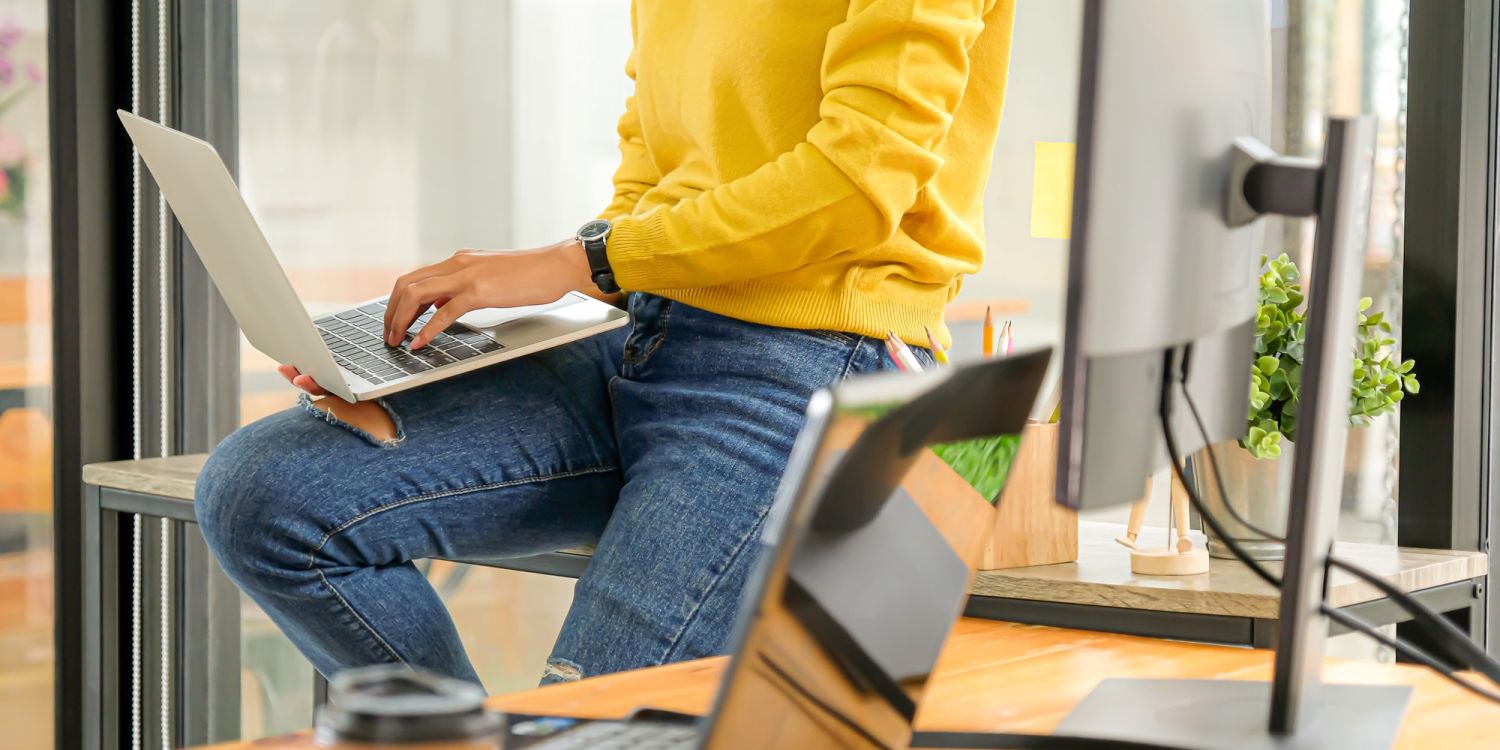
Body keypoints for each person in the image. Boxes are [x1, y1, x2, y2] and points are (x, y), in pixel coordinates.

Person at [196, 0, 1017, 688]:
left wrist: (575, 261)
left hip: (823, 359)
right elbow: (653, 178)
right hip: (648, 333)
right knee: (264, 495)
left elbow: (856, 185)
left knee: (578, 728)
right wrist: (457, 348)